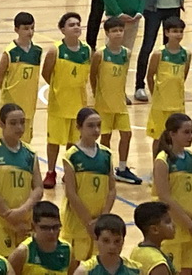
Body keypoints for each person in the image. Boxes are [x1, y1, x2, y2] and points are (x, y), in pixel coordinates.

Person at [0, 104, 43, 257]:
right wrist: (9, 215)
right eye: (13, 123)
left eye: (22, 122)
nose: (19, 127)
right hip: (0, 220)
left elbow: (38, 188)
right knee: (3, 262)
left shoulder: (30, 153)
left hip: (25, 220)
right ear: (2, 124)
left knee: (26, 262)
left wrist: (23, 210)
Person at [60, 108, 116, 272]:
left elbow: (112, 189)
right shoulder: (72, 155)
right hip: (77, 222)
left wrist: (103, 217)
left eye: (98, 125)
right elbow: (71, 193)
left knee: (97, 266)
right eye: (90, 126)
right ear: (79, 127)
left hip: (99, 220)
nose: (96, 130)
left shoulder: (106, 154)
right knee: (75, 266)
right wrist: (88, 222)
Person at [42, 12, 92, 189]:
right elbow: (46, 73)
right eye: (71, 25)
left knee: (73, 142)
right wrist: (59, 88)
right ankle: (50, 172)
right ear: (62, 30)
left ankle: (68, 172)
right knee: (54, 141)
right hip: (58, 104)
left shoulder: (87, 50)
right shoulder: (55, 50)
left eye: (78, 24)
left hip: (78, 104)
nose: (76, 27)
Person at [153, 113, 192, 275]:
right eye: (186, 132)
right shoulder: (163, 160)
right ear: (172, 134)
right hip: (174, 227)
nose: (191, 136)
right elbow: (164, 197)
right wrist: (187, 222)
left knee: (188, 270)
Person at [90, 17, 141, 184]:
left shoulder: (126, 53)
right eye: (114, 31)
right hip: (104, 103)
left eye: (120, 30)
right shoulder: (100, 54)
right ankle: (107, 167)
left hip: (120, 103)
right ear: (107, 33)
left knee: (127, 134)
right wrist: (96, 94)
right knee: (105, 137)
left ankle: (123, 168)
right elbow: (93, 76)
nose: (118, 33)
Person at [145, 17, 190, 155]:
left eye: (181, 31)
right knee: (158, 137)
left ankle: (175, 163)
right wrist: (155, 94)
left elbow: (183, 76)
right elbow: (150, 76)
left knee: (178, 138)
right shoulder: (159, 54)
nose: (178, 35)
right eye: (175, 31)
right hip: (161, 105)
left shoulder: (186, 54)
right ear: (166, 33)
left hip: (177, 104)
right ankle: (156, 164)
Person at [0, 13, 42, 143]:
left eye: (32, 28)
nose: (30, 32)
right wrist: (8, 92)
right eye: (26, 28)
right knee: (5, 138)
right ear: (16, 29)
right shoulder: (10, 52)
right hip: (11, 102)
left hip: (29, 103)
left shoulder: (37, 51)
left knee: (25, 140)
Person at [8, 201, 72, 274]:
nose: (51, 232)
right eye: (45, 228)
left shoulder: (67, 249)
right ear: (33, 227)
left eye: (55, 227)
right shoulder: (22, 252)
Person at [73, 214, 142, 275]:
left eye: (117, 241)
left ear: (123, 241)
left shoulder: (136, 270)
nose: (112, 247)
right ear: (96, 240)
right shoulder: (84, 271)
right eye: (106, 241)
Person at [130, 201, 177, 275]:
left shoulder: (136, 251)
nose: (174, 225)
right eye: (168, 222)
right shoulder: (158, 264)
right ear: (154, 229)